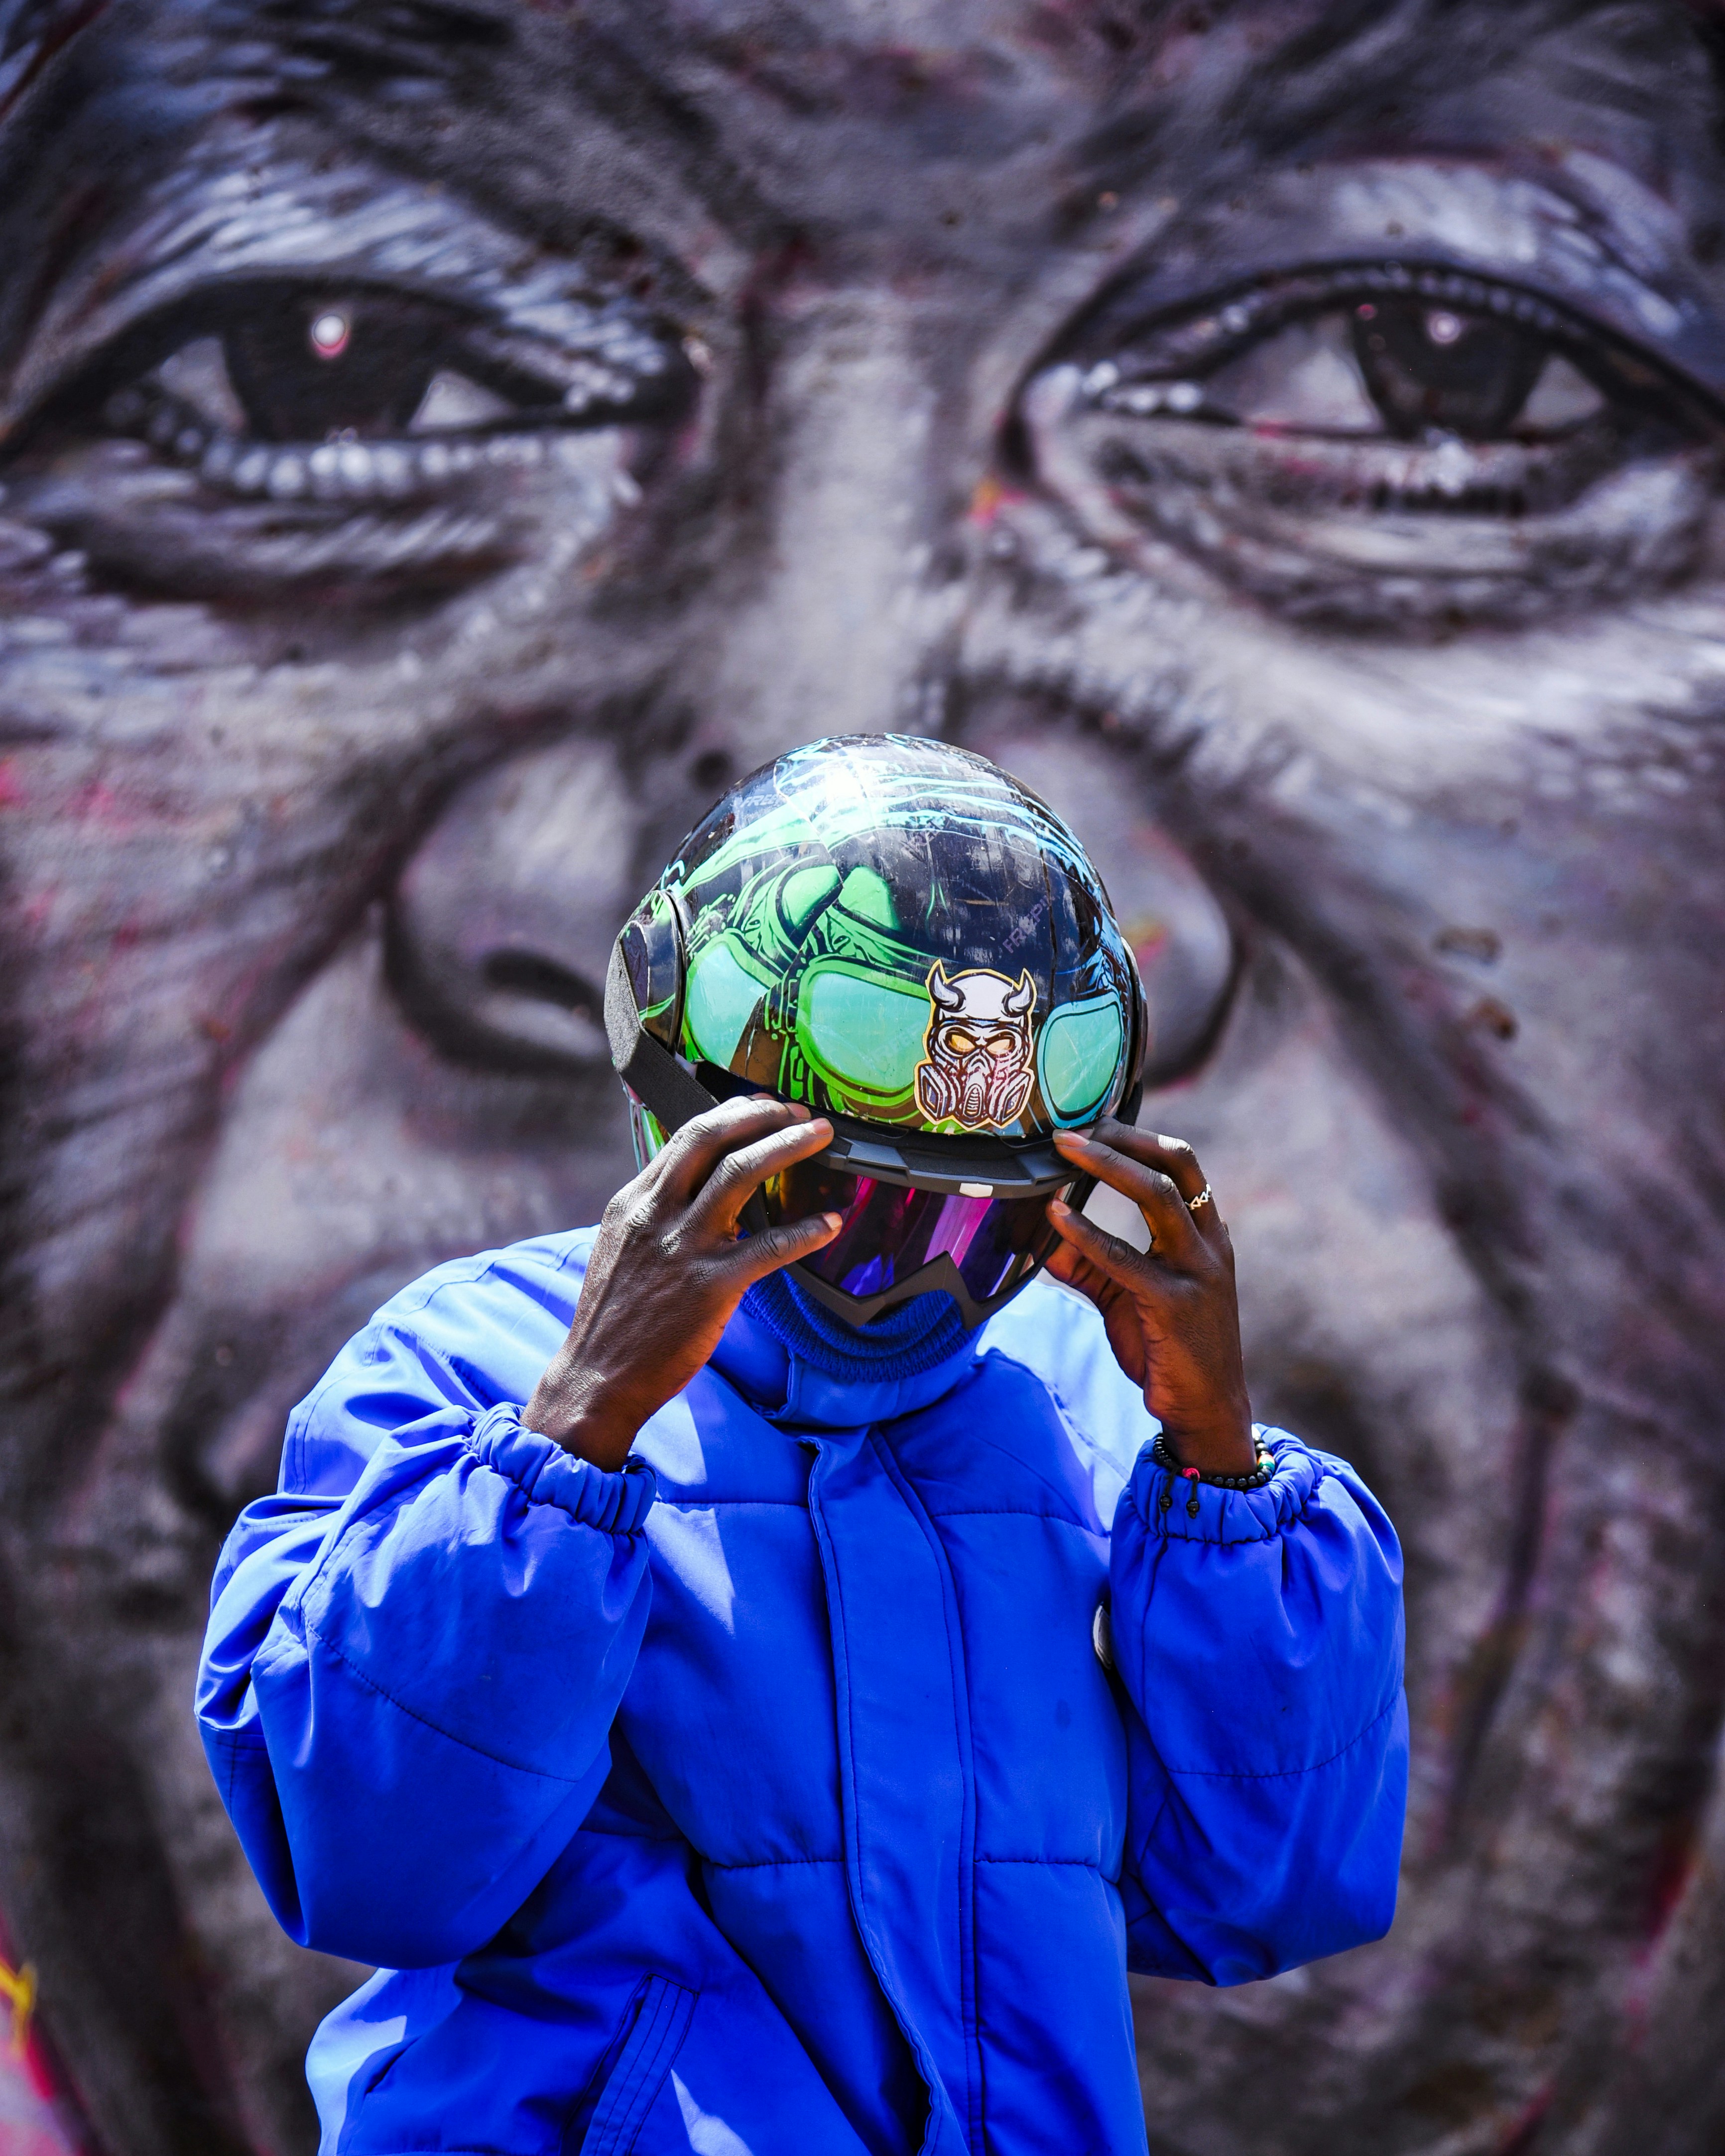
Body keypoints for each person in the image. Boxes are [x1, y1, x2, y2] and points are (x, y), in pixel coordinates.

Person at [197, 736, 1406, 2155]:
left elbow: (1263, 1890)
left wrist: (1217, 1472)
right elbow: (373, 1856)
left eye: (982, 1223)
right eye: (849, 1206)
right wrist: (578, 1432)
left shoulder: (1086, 1401)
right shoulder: (471, 1364)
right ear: (698, 1107)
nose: (911, 1272)